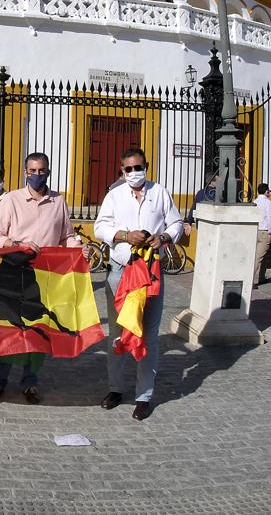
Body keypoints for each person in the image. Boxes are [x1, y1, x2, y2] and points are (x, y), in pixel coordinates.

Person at [93, 147, 183, 421]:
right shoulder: (114, 196)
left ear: (147, 166)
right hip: (121, 272)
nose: (134, 172)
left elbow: (177, 222)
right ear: (122, 171)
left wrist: (164, 238)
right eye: (128, 169)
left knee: (149, 335)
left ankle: (144, 396)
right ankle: (115, 388)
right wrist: (123, 235)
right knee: (119, 333)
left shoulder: (161, 193)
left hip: (151, 272)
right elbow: (99, 227)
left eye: (138, 167)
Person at [0, 152, 80, 405]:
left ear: (48, 171)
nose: (37, 175)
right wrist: (17, 243)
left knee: (39, 331)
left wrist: (79, 247)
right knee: (10, 330)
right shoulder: (11, 199)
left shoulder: (58, 201)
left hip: (45, 278)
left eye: (42, 171)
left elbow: (65, 236)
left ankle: (30, 383)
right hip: (14, 274)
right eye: (33, 171)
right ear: (25, 171)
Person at [253, 183, 271, 288]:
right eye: (269, 191)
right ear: (266, 192)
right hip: (264, 231)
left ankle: (261, 277)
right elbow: (270, 218)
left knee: (262, 255)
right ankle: (251, 279)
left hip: (255, 230)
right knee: (258, 257)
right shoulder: (268, 203)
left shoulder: (254, 202)